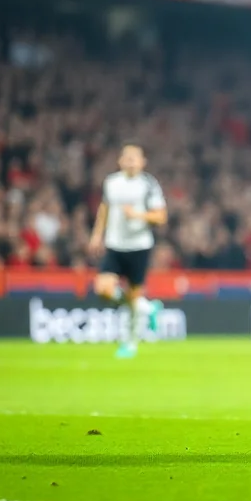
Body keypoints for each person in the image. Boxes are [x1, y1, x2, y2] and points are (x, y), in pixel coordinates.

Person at [88, 143, 167, 359]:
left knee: (132, 295)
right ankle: (146, 308)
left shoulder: (149, 185)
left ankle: (130, 344)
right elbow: (104, 209)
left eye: (135, 158)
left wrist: (138, 215)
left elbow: (160, 216)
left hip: (139, 246)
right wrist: (97, 235)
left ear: (143, 162)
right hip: (115, 245)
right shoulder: (111, 183)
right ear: (120, 161)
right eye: (127, 157)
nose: (131, 161)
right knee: (103, 288)